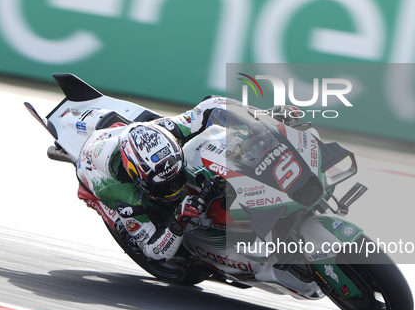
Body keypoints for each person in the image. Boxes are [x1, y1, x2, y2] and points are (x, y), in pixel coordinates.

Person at [76, 96, 300, 262]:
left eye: (176, 176)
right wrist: (177, 219)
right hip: (92, 169)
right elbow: (153, 251)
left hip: (136, 140)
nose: (177, 186)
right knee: (138, 228)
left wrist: (260, 118)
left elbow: (211, 105)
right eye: (167, 184)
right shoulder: (118, 192)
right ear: (138, 178)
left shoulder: (170, 131)